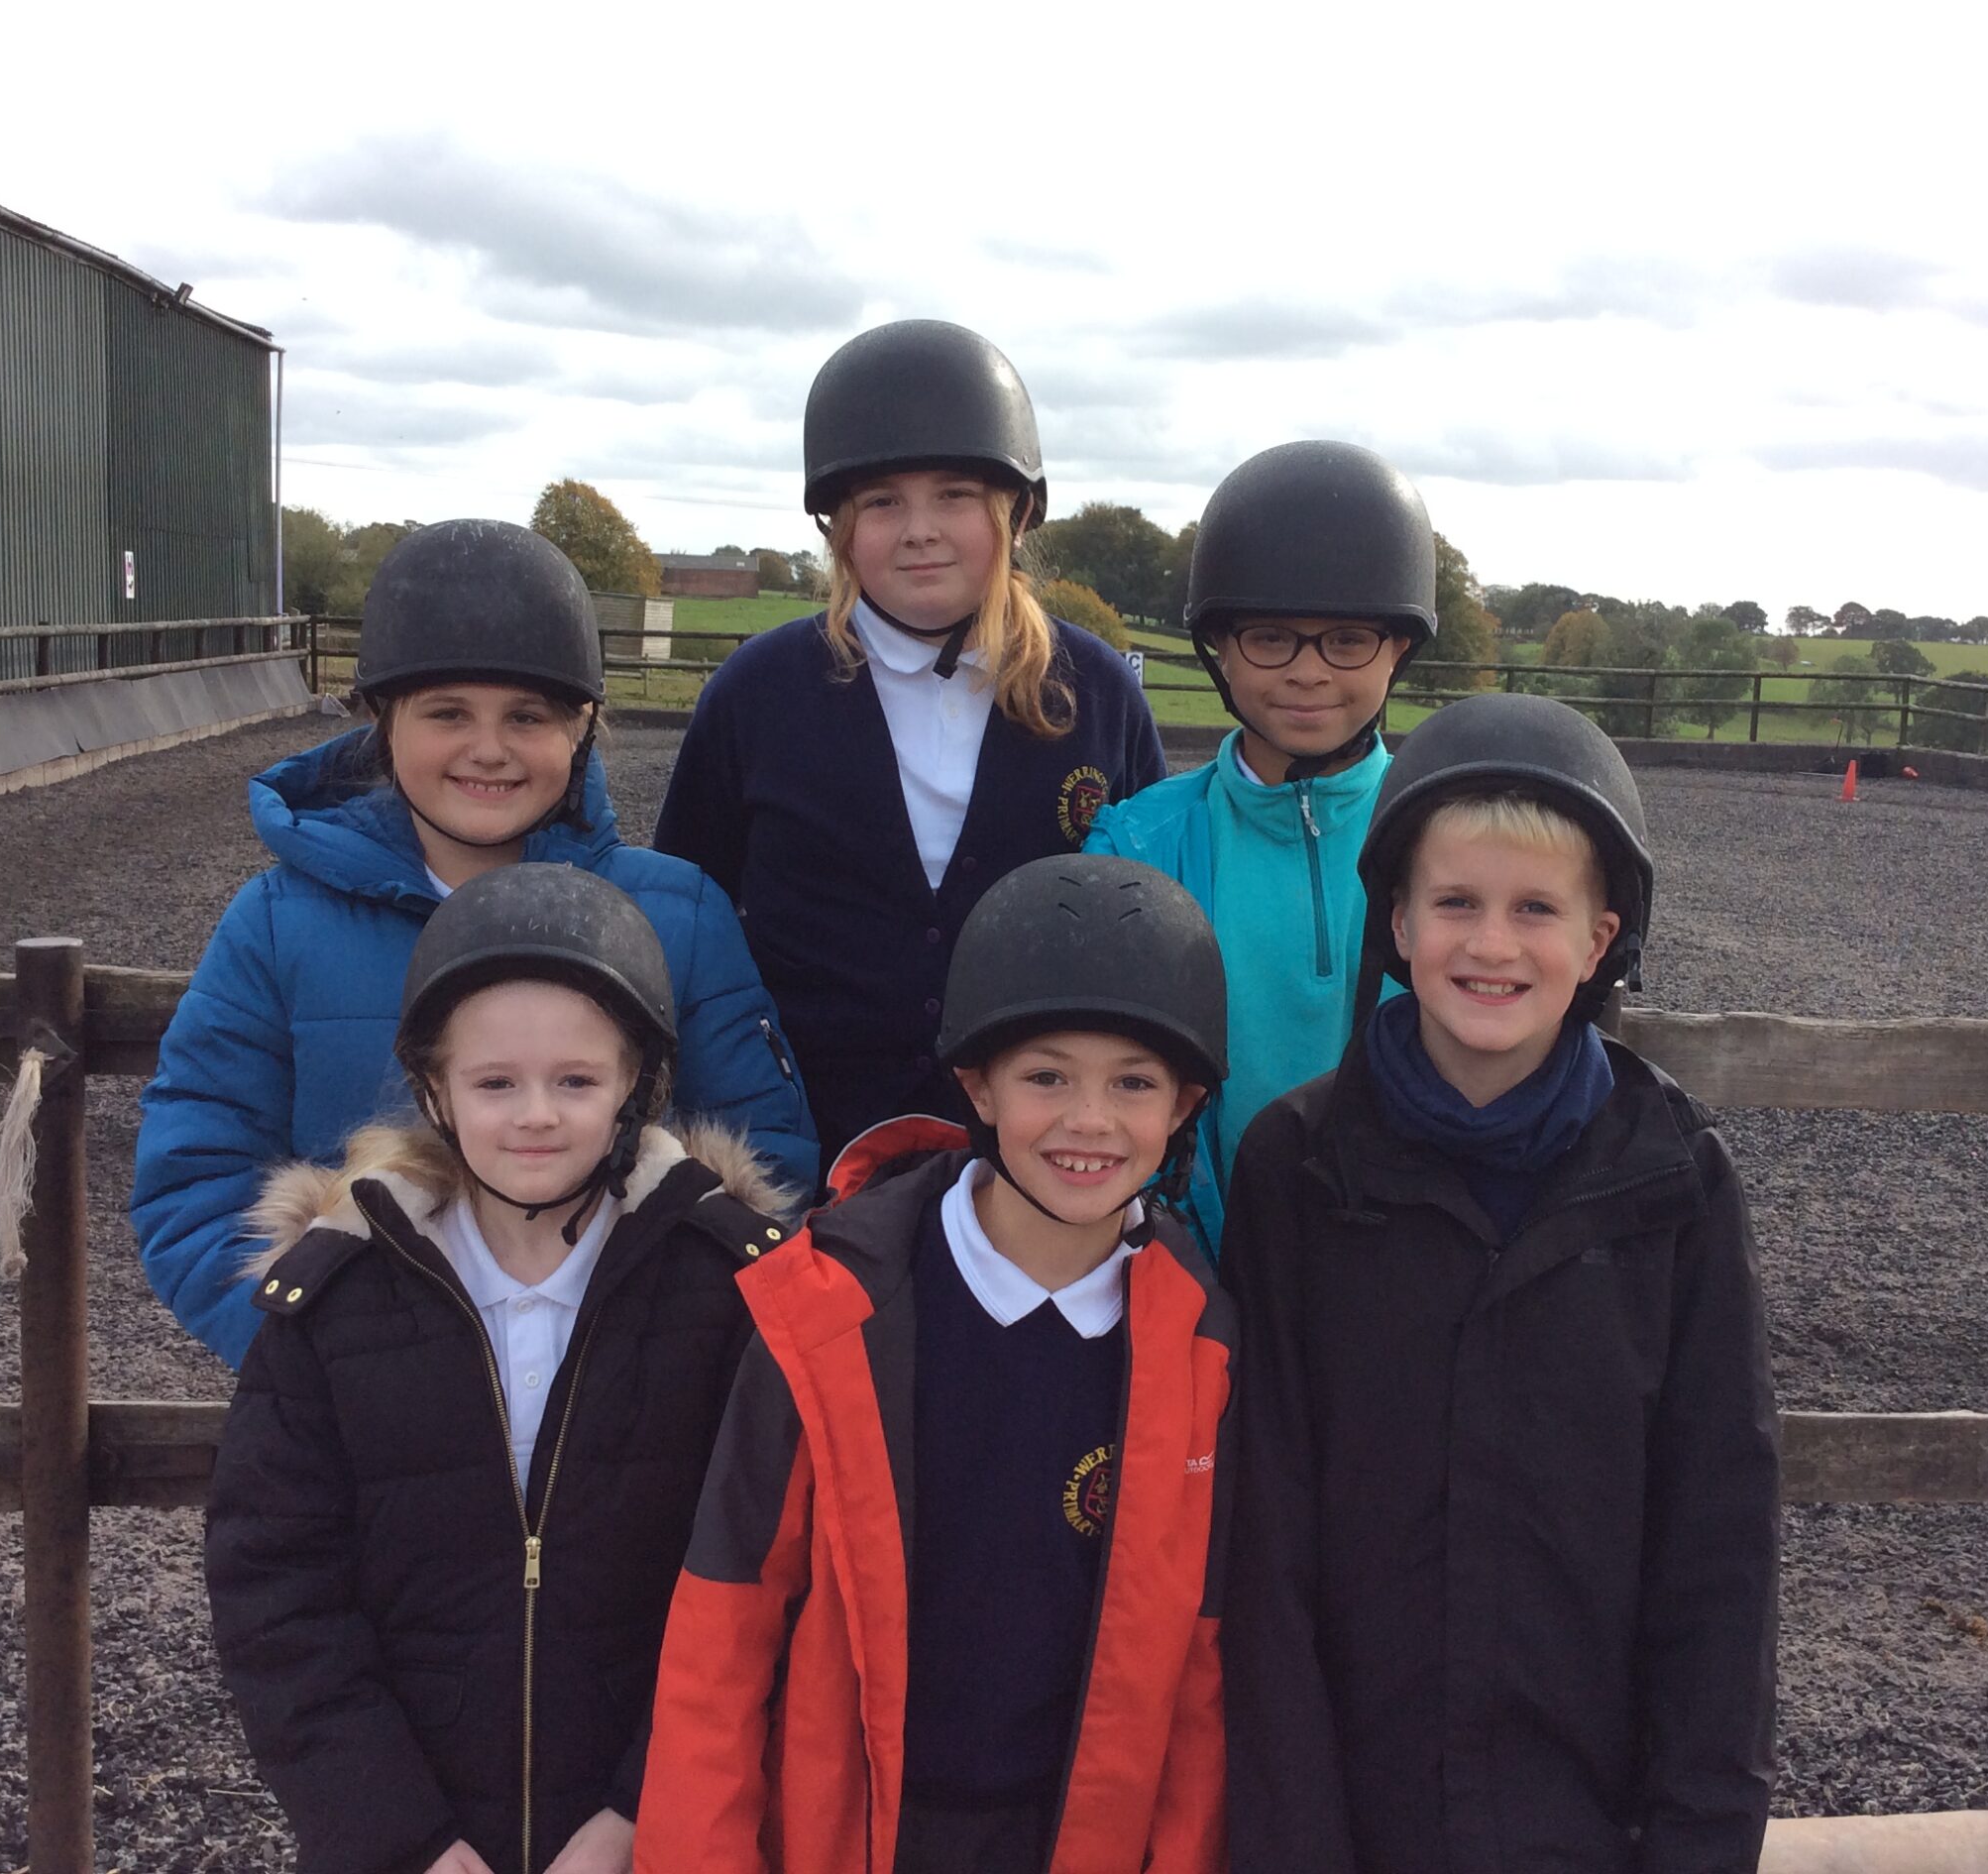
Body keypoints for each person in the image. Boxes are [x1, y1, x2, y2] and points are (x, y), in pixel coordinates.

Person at [1219, 694, 1780, 1874]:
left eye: (1536, 909)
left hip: (1580, 1817)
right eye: (1456, 903)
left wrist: (1697, 1840)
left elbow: (1716, 1544)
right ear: (1400, 923)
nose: (1490, 945)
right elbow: (1262, 1535)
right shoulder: (1299, 1168)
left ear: (1598, 939)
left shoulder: (1674, 1181)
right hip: (1354, 1807)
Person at [633, 855, 1235, 1874]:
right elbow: (724, 1629)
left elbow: (1200, 1676)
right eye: (1046, 1075)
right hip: (854, 1834)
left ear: (1181, 1106)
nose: (1088, 1121)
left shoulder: (1205, 1347)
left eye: (1131, 1082)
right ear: (977, 1085)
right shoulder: (826, 1312)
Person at [204, 862, 796, 1874]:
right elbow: (277, 1591)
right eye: (495, 1083)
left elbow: (768, 1571)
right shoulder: (334, 1299)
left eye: (576, 1080)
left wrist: (637, 1812)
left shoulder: (725, 1292)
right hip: (413, 1835)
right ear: (434, 1088)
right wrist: (404, 1837)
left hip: (654, 1829)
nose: (536, 1114)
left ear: (635, 1088)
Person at [134, 517, 817, 1368]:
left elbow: (767, 1164)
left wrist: (658, 1360)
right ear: (385, 722)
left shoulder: (679, 915)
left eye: (527, 716)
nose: (488, 750)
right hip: (370, 1416)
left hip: (625, 1412)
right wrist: (328, 1360)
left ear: (581, 727)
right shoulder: (276, 925)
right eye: (448, 713)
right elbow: (194, 1184)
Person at [652, 319, 1166, 1162]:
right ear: (840, 528)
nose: (920, 528)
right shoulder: (756, 692)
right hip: (799, 1143)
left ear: (1015, 514)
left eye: (955, 496)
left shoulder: (1097, 692)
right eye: (884, 502)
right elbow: (690, 915)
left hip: (1030, 1159)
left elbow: (1142, 922)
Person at [1085, 440, 1435, 1257]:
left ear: (1400, 649)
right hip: (1190, 1265)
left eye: (1347, 640)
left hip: (1401, 1266)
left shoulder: (1450, 837)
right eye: (1271, 638)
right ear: (1219, 647)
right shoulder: (1134, 845)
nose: (1307, 672)